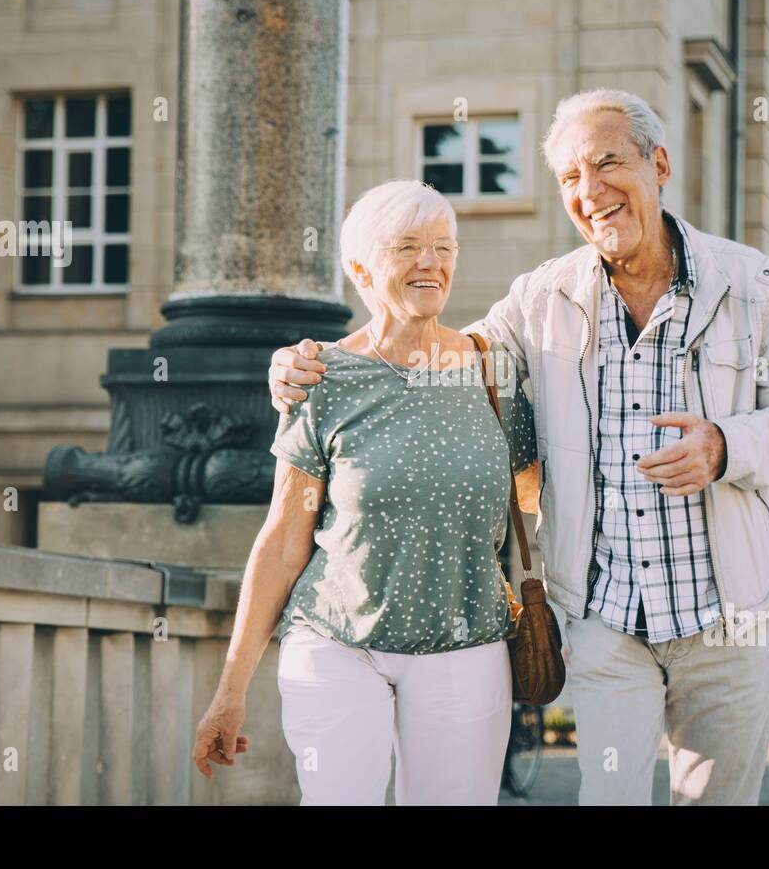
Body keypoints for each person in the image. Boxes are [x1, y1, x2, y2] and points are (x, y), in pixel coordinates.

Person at [269, 89, 769, 805]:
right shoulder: (542, 296)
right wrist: (310, 365)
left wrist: (725, 445)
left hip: (732, 616)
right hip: (604, 623)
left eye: (607, 163)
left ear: (658, 163)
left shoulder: (754, 285)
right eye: (570, 177)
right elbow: (446, 354)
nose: (590, 191)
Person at [193, 179, 538, 805]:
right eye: (407, 247)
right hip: (336, 641)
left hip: (467, 642)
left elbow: (536, 492)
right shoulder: (321, 376)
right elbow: (282, 541)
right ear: (360, 267)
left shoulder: (495, 373)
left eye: (443, 247)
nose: (430, 263)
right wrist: (230, 690)